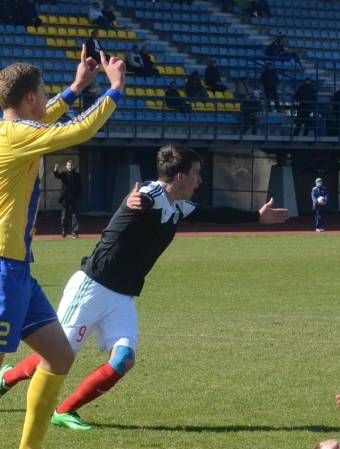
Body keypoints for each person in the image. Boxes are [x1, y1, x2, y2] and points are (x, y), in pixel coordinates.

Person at [0, 146, 289, 432]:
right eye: (197, 174)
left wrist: (256, 217)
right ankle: (7, 378)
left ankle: (65, 411)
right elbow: (138, 201)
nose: (200, 180)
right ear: (179, 177)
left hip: (122, 296)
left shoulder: (179, 206)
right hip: (92, 288)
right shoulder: (151, 195)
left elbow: (213, 213)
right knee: (59, 353)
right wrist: (131, 200)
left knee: (124, 359)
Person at [0, 47, 125, 449]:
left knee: (59, 354)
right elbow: (77, 130)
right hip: (1, 270)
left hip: (17, 270)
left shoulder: (13, 127)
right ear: (30, 98)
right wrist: (113, 90)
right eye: (44, 92)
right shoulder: (17, 136)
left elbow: (53, 114)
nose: (47, 98)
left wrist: (76, 87)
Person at [52, 160, 82, 238]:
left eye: (71, 165)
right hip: (65, 198)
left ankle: (74, 233)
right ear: (66, 166)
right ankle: (64, 232)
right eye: (68, 165)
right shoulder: (64, 174)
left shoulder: (77, 175)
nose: (70, 166)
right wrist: (55, 169)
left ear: (73, 166)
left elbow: (80, 186)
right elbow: (57, 175)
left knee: (75, 216)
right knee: (64, 216)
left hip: (74, 198)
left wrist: (79, 196)